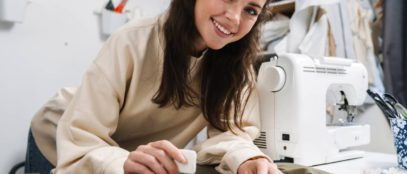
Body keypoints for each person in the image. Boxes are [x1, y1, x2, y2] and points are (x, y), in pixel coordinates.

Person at [25, 0, 282, 173]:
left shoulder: (237, 67)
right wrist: (123, 161)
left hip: (128, 156)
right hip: (62, 137)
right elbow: (81, 138)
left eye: (251, 9)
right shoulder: (131, 40)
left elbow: (232, 133)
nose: (235, 18)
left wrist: (248, 159)